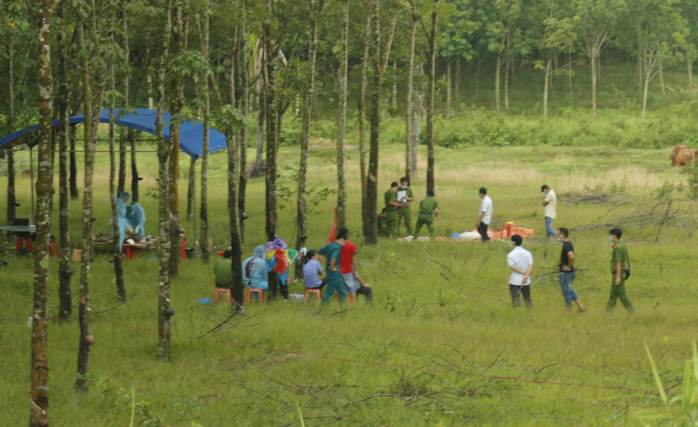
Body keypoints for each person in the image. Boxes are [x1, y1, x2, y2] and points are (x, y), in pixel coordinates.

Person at [339, 228, 373, 305]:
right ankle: (367, 307)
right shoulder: (350, 246)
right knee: (367, 290)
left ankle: (347, 304)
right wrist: (364, 284)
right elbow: (356, 275)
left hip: (340, 281)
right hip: (350, 282)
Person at [557, 228, 586, 313]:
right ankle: (581, 307)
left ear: (563, 235)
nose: (557, 236)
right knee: (569, 290)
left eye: (558, 234)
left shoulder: (567, 245)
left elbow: (571, 256)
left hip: (566, 274)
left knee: (566, 293)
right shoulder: (568, 244)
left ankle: (568, 311)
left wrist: (568, 267)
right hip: (569, 273)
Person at [606, 228, 634, 314]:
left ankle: (632, 312)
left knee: (622, 295)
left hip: (618, 273)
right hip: (619, 273)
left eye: (611, 235)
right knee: (613, 295)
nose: (610, 237)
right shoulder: (621, 245)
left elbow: (618, 262)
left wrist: (617, 277)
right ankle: (607, 314)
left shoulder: (618, 247)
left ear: (614, 235)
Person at [318, 229, 347, 304]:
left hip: (336, 273)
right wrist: (331, 266)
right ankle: (323, 306)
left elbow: (320, 253)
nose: (344, 243)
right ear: (341, 239)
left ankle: (344, 306)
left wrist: (325, 262)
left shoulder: (329, 245)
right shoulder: (337, 248)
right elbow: (333, 258)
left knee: (342, 290)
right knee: (330, 291)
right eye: (344, 241)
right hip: (333, 273)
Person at [507, 234, 533, 309]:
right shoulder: (528, 253)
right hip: (526, 281)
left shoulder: (510, 255)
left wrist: (522, 272)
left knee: (515, 299)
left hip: (515, 281)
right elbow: (531, 264)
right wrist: (526, 275)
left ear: (513, 243)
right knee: (527, 298)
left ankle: (517, 313)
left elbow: (512, 266)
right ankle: (530, 312)